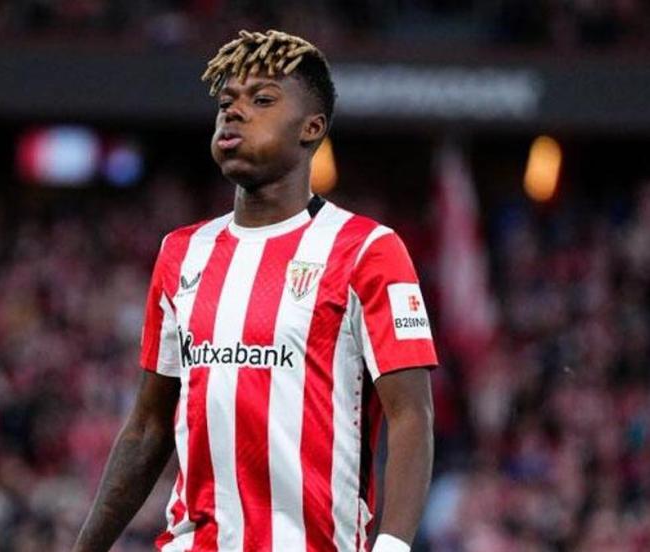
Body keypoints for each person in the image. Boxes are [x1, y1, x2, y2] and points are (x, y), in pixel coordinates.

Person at [73, 29, 437, 552]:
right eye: (226, 102)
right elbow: (149, 426)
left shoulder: (367, 250)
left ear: (312, 128)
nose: (235, 112)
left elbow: (411, 416)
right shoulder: (182, 253)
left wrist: (393, 546)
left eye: (262, 100)